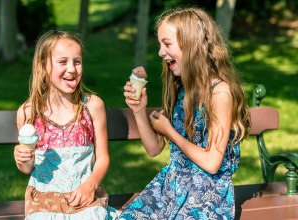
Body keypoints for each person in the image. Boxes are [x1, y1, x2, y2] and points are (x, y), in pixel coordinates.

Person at [120, 7, 251, 220]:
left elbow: (212, 163)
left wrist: (170, 132)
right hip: (171, 188)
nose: (161, 52)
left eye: (167, 44)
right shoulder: (181, 88)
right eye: (160, 44)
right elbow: (153, 149)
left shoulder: (220, 92)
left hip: (207, 195)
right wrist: (138, 110)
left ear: (191, 45)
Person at [13, 29, 119, 219]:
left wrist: (90, 185)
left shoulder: (92, 106)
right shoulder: (29, 113)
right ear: (42, 65)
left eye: (77, 62)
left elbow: (102, 157)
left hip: (84, 197)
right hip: (44, 201)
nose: (72, 69)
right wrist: (22, 159)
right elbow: (28, 167)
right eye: (63, 62)